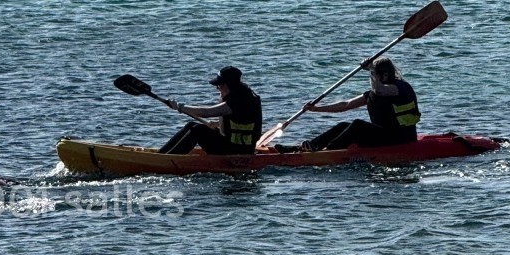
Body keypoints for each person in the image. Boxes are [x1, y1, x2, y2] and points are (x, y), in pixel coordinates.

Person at [282, 57, 420, 152]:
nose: (372, 78)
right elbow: (345, 105)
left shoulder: (401, 87)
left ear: (385, 75)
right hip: (384, 137)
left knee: (357, 125)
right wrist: (316, 109)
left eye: (374, 75)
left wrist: (371, 69)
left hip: (401, 138)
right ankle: (307, 147)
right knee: (343, 125)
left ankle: (327, 151)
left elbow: (380, 90)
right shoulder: (373, 93)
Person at [158, 66, 262, 155]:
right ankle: (161, 155)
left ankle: (167, 160)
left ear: (228, 85)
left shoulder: (240, 100)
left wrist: (180, 107)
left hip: (239, 150)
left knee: (198, 130)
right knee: (191, 125)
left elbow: (207, 112)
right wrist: (217, 124)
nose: (217, 88)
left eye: (219, 85)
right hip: (233, 145)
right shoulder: (242, 94)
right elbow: (241, 120)